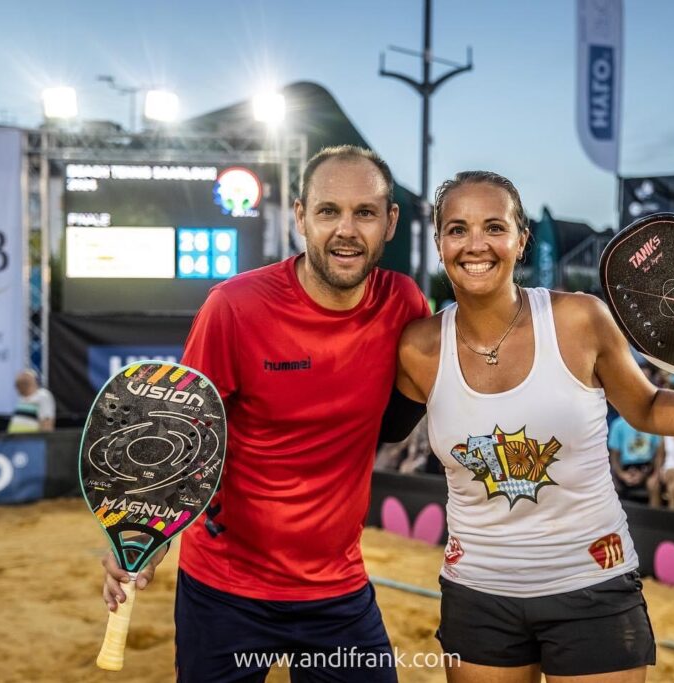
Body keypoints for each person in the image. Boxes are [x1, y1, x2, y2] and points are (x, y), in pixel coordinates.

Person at [390, 171, 674, 682]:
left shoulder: (578, 319)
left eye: (494, 227)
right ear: (439, 243)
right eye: (457, 229)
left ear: (521, 240)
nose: (475, 244)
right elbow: (377, 430)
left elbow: (647, 406)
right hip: (478, 594)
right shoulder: (418, 348)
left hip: (592, 586)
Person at [100, 145, 429, 681]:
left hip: (336, 590)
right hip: (226, 591)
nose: (346, 229)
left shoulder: (405, 303)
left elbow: (399, 420)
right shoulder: (234, 307)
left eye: (365, 212)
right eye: (328, 211)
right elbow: (180, 431)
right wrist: (146, 534)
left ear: (390, 222)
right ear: (299, 215)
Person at [607, 412, 661, 502]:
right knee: (611, 487)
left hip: (647, 467)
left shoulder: (652, 423)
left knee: (654, 485)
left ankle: (655, 515)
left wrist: (653, 474)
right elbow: (614, 457)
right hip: (625, 467)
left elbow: (658, 454)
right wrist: (622, 474)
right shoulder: (618, 424)